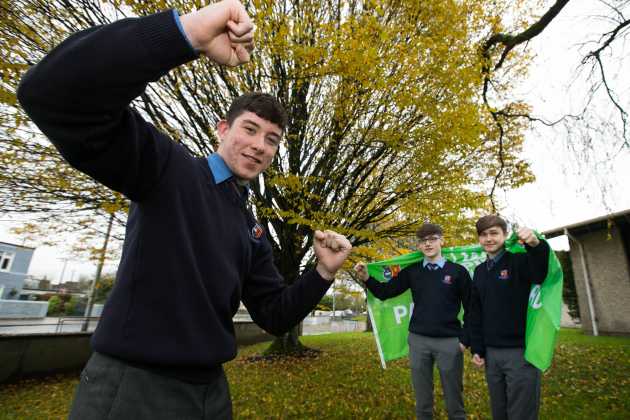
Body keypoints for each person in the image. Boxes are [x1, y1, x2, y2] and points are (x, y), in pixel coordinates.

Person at [17, 1, 352, 418]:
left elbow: (274, 315)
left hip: (211, 392)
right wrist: (186, 34)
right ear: (223, 129)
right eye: (250, 129)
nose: (259, 146)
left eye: (271, 139)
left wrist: (323, 272)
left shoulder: (250, 225)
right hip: (136, 389)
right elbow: (51, 93)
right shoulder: (168, 169)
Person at [355, 223, 471, 420]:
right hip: (419, 342)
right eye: (423, 241)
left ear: (441, 241)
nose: (428, 244)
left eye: (432, 239)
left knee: (454, 398)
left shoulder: (458, 271)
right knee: (423, 399)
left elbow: (472, 307)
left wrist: (464, 340)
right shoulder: (412, 272)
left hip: (450, 342)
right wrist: (366, 278)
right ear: (419, 246)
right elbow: (385, 292)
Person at [469, 215, 550, 420]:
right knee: (499, 411)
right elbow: (476, 311)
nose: (489, 239)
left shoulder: (519, 261)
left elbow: (540, 272)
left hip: (520, 353)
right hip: (492, 355)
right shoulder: (479, 271)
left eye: (494, 233)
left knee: (521, 412)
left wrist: (535, 244)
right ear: (479, 239)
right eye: (484, 235)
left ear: (505, 235)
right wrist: (477, 347)